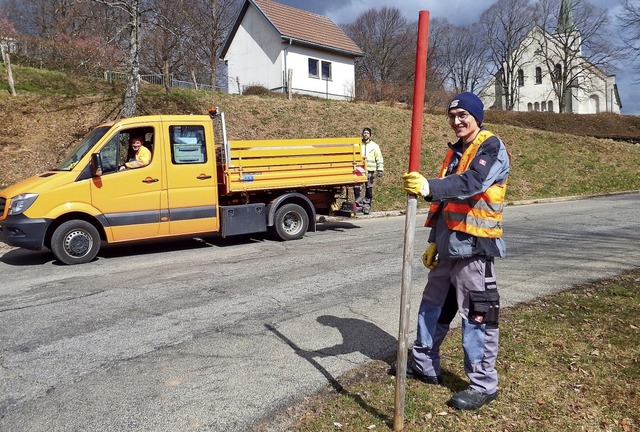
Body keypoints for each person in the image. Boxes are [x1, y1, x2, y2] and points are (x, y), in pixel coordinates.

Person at [401, 92, 511, 411]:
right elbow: (444, 202)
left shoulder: (490, 146)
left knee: (477, 314)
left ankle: (483, 383)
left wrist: (428, 186)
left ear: (477, 117)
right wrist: (435, 240)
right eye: (452, 116)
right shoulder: (454, 153)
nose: (457, 121)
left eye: (463, 114)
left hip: (475, 247)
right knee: (431, 307)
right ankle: (424, 364)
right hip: (448, 246)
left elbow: (472, 183)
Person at [353, 127, 384, 214]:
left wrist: (380, 169)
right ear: (362, 134)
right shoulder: (357, 145)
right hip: (359, 170)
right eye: (364, 133)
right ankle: (358, 205)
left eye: (367, 133)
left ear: (370, 135)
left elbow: (379, 158)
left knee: (368, 189)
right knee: (357, 188)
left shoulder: (374, 146)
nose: (365, 134)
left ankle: (367, 206)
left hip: (370, 171)